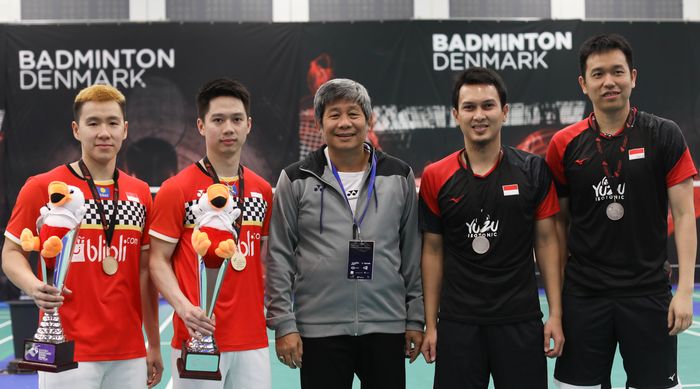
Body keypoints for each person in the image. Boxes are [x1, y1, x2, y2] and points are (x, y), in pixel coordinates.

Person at [546, 34, 697, 389]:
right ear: (584, 84)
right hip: (584, 296)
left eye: (617, 72)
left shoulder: (664, 135)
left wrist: (685, 291)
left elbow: (685, 215)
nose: (609, 82)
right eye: (598, 74)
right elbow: (557, 226)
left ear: (633, 76)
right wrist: (557, 305)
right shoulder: (563, 145)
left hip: (648, 294)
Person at [1, 84, 163, 388]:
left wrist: (152, 343)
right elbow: (11, 253)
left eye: (112, 123)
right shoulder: (42, 186)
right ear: (76, 130)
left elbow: (145, 273)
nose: (104, 132)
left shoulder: (140, 193)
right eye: (93, 123)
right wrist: (34, 286)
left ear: (125, 130)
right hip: (65, 349)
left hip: (128, 353)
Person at [266, 78, 424, 389]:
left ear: (369, 120)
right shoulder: (295, 179)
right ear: (320, 123)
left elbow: (412, 253)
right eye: (334, 114)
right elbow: (279, 255)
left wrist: (415, 318)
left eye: (353, 114)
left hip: (386, 325)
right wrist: (284, 324)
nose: (344, 123)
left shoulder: (399, 175)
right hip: (318, 330)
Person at [419, 67, 564, 388]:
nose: (479, 115)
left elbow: (547, 242)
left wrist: (555, 314)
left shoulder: (532, 170)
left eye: (488, 105)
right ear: (455, 115)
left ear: (505, 112)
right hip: (458, 323)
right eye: (469, 107)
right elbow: (432, 251)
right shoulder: (435, 176)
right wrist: (431, 324)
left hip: (520, 320)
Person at [148, 78, 273, 389]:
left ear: (249, 125)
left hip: (251, 339)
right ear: (201, 126)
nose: (228, 128)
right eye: (218, 120)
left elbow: (266, 259)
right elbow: (157, 261)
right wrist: (182, 305)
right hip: (196, 334)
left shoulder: (262, 191)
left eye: (236, 119)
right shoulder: (176, 189)